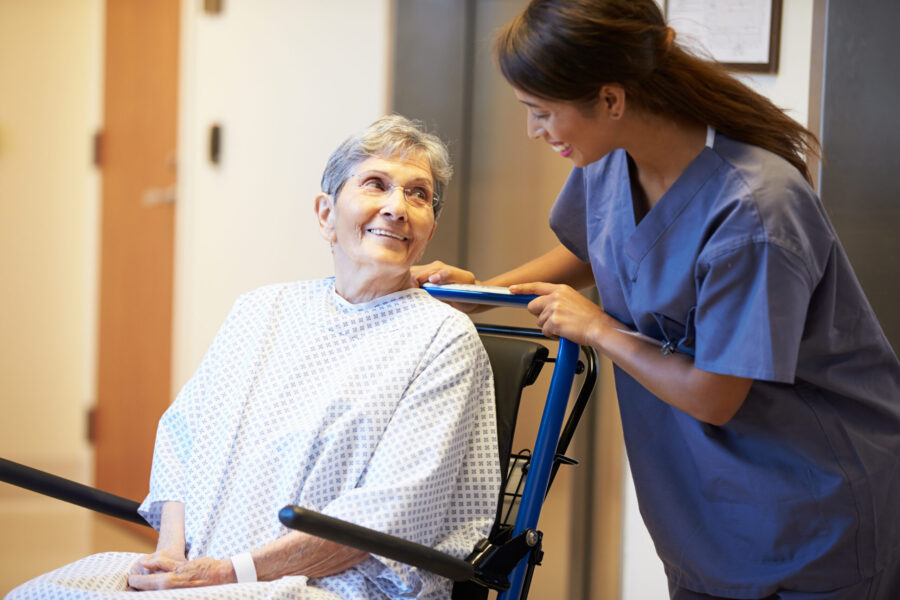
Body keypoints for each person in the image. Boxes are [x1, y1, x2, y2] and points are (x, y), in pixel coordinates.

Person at [413, 1, 900, 599]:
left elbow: (715, 396)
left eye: (542, 112)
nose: (534, 131)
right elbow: (602, 248)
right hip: (702, 513)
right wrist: (482, 295)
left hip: (808, 515)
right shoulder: (608, 159)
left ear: (611, 100)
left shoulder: (754, 209)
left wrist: (599, 330)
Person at [9, 115, 500, 600]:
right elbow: (185, 437)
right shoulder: (262, 310)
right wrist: (172, 557)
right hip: (204, 573)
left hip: (326, 586)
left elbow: (389, 515)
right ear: (326, 214)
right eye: (376, 184)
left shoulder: (442, 339)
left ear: (430, 228)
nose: (397, 208)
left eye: (418, 194)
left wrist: (227, 575)